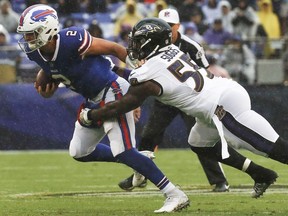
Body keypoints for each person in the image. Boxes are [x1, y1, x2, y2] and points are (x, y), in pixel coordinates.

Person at [80, 17, 285, 199]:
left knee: (272, 148)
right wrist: (112, 68)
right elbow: (146, 76)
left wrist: (92, 114)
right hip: (215, 102)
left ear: (151, 42)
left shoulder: (151, 70)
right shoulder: (171, 51)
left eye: (139, 40)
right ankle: (260, 173)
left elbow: (127, 101)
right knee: (199, 142)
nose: (134, 45)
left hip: (223, 105)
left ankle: (260, 170)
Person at [17, 4, 189, 213]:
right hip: (93, 99)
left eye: (32, 34)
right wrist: (46, 90)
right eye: (26, 35)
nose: (28, 39)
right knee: (79, 151)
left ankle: (174, 194)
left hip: (113, 90)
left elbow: (116, 50)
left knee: (123, 150)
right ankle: (139, 160)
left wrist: (138, 85)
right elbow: (49, 74)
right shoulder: (36, 53)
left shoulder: (73, 39)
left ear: (48, 29)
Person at [118, 8, 230, 193]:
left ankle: (219, 180)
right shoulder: (149, 44)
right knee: (148, 137)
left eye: (170, 26)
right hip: (166, 99)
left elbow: (207, 74)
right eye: (163, 25)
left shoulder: (191, 46)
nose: (166, 29)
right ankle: (140, 175)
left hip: (192, 99)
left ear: (178, 26)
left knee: (202, 141)